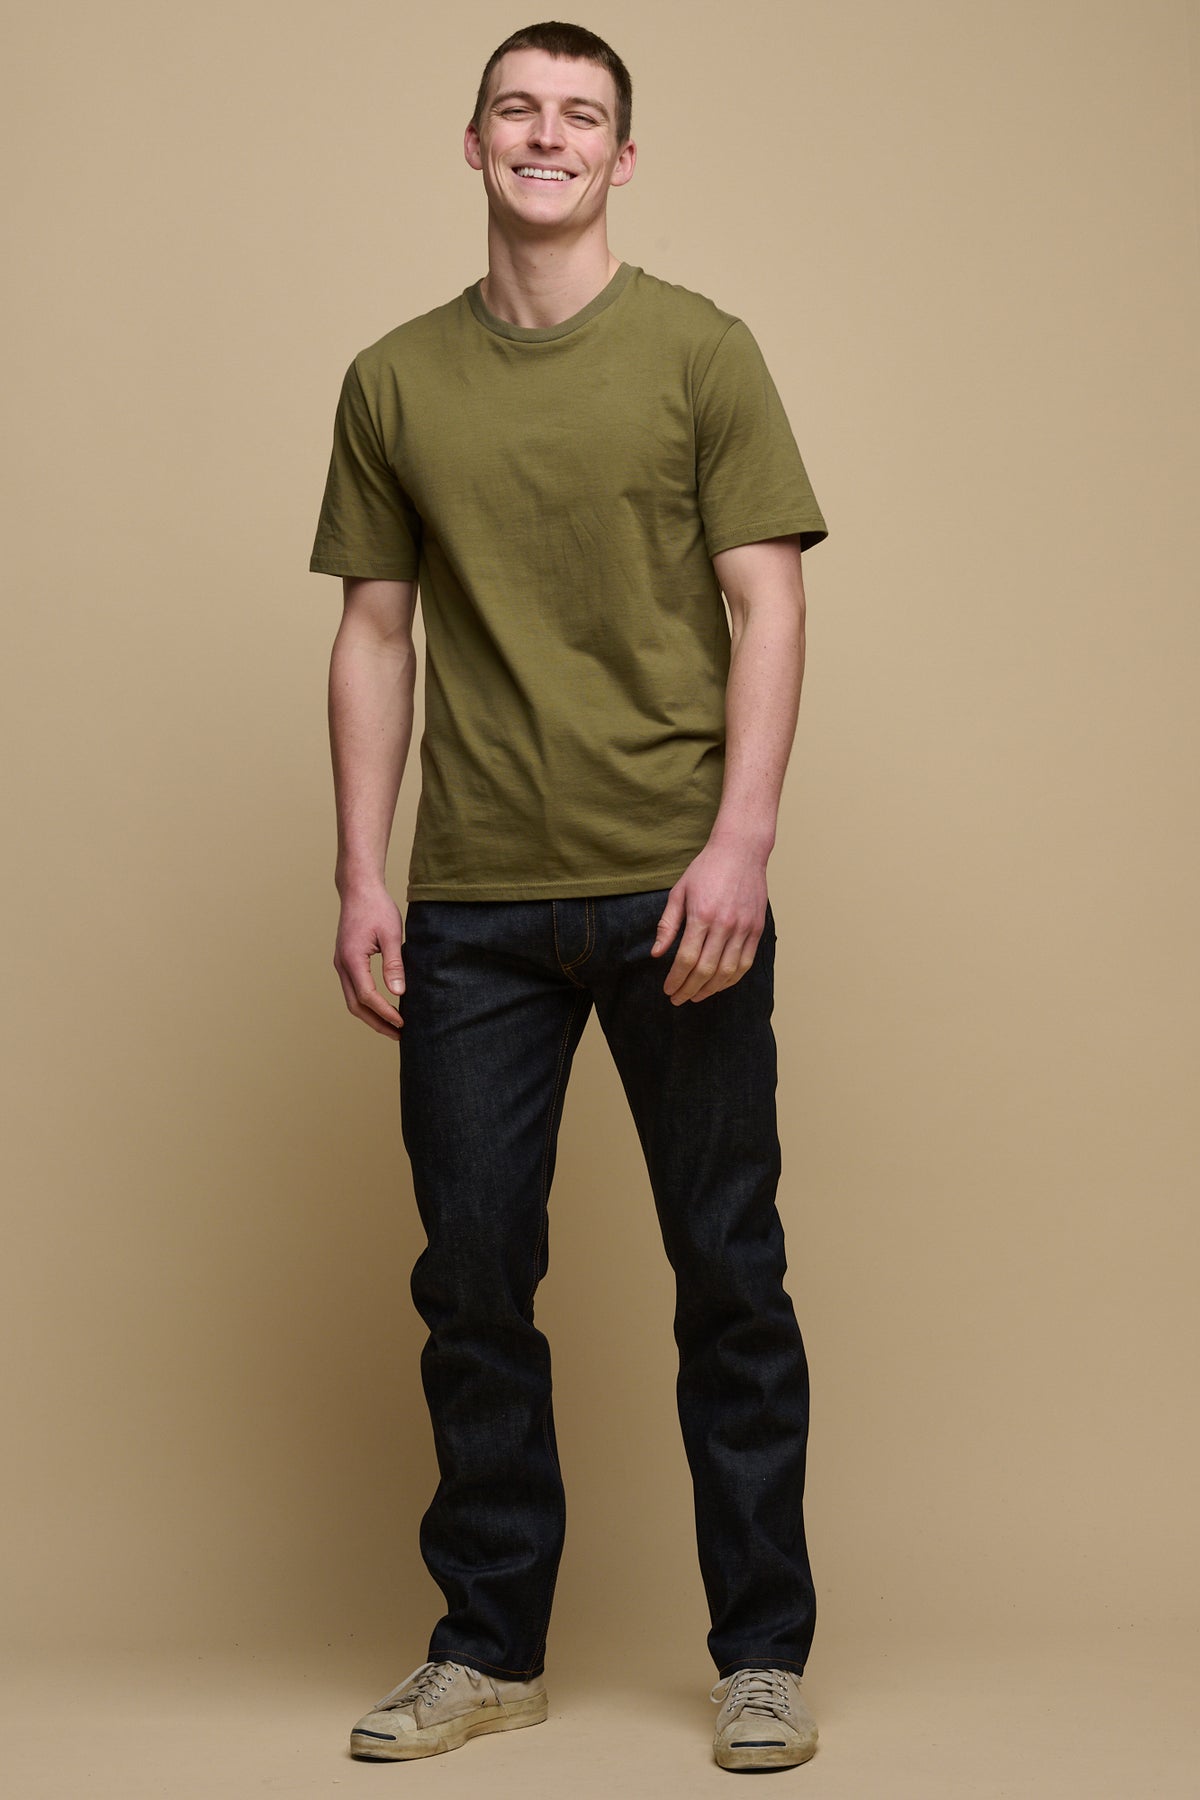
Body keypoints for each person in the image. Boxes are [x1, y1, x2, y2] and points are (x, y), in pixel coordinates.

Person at [309, 18, 829, 1774]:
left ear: (622, 159)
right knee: (469, 1281)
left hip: (682, 888)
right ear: (472, 148)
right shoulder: (392, 379)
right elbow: (373, 635)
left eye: (581, 116)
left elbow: (772, 606)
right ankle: (487, 1648)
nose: (549, 136)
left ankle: (760, 1655)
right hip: (472, 909)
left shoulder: (703, 352)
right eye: (518, 110)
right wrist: (360, 872)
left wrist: (741, 842)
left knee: (727, 1274)